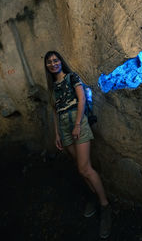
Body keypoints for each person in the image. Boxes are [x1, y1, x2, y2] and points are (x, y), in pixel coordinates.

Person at [44, 50, 111, 239]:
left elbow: (81, 99)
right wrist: (57, 133)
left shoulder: (72, 77)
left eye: (55, 60)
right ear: (47, 66)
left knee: (85, 168)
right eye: (49, 62)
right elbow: (56, 111)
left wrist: (77, 124)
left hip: (77, 121)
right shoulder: (53, 87)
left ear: (60, 61)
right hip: (64, 126)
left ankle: (105, 206)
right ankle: (93, 197)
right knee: (79, 168)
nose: (53, 63)